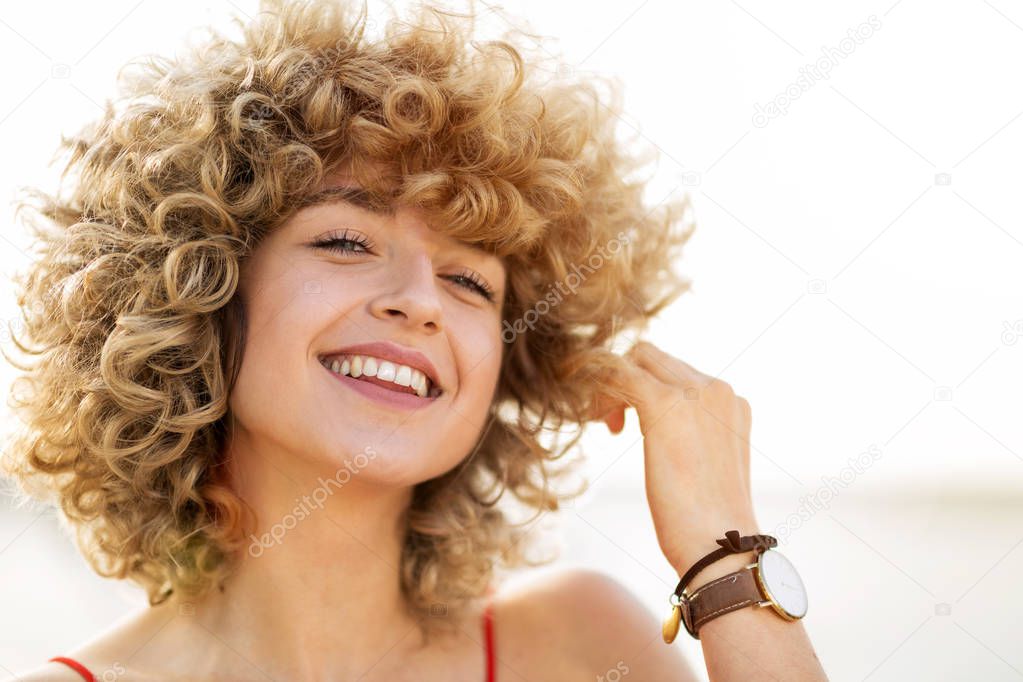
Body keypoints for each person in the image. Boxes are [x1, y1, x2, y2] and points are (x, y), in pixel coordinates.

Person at [3, 0, 828, 679]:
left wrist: (724, 550)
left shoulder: (585, 647)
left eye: (471, 282)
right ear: (202, 291)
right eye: (346, 242)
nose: (421, 303)